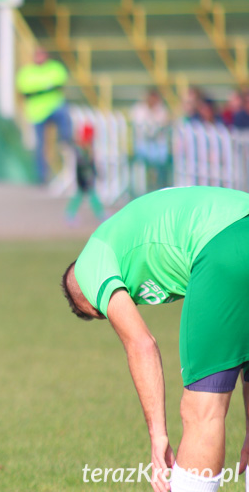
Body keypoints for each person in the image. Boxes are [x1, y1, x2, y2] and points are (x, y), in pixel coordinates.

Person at [61, 186, 249, 492]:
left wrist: (158, 436)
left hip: (220, 246)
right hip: (241, 219)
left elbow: (142, 344)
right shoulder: (122, 234)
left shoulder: (88, 269)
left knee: (203, 411)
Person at [16, 47, 71, 184]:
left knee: (64, 115)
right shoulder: (27, 72)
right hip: (37, 113)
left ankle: (65, 140)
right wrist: (46, 88)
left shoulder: (55, 68)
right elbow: (25, 91)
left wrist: (39, 90)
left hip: (54, 108)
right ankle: (42, 177)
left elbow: (59, 84)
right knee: (40, 146)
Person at [65, 122, 104, 224]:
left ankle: (100, 213)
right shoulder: (80, 149)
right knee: (81, 195)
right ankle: (70, 214)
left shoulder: (88, 148)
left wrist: (96, 173)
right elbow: (82, 164)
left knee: (91, 195)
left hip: (88, 176)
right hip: (82, 177)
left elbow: (92, 165)